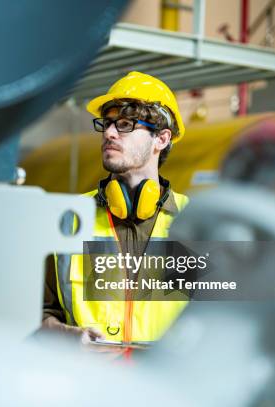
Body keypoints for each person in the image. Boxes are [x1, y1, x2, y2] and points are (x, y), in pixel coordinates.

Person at [41, 71, 190, 349]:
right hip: (89, 384)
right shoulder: (71, 219)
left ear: (161, 139)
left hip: (167, 388)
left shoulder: (195, 223)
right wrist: (66, 335)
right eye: (107, 124)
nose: (109, 133)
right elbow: (37, 313)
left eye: (124, 124)